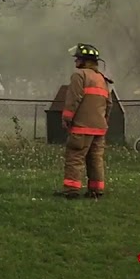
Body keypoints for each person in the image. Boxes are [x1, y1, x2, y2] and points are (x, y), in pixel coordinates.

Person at [57, 43, 112, 199]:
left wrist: (67, 118)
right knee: (96, 159)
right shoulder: (102, 79)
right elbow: (109, 104)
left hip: (81, 127)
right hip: (100, 128)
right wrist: (104, 120)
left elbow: (73, 98)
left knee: (75, 157)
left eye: (78, 59)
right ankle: (96, 190)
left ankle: (71, 191)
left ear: (84, 61)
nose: (75, 62)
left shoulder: (79, 75)